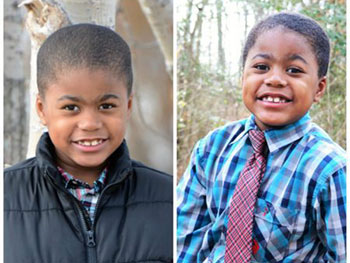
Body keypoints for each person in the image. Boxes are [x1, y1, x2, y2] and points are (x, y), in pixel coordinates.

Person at [177, 12, 346, 263]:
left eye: (294, 70)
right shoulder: (212, 149)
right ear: (242, 76)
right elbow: (185, 241)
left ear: (319, 88)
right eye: (261, 67)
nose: (275, 79)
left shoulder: (330, 169)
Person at [4, 24, 173, 263]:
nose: (90, 123)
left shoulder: (167, 197)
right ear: (42, 109)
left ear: (128, 106)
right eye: (71, 108)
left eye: (106, 106)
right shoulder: (7, 195)